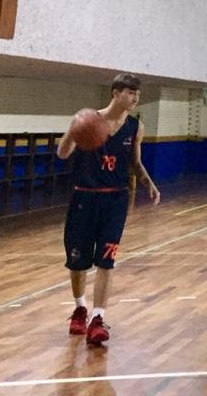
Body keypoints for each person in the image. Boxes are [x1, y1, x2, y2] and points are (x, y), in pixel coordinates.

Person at [60, 74, 161, 346]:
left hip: (115, 200)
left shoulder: (135, 127)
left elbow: (135, 163)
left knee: (107, 260)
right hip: (84, 198)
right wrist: (72, 131)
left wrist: (149, 183)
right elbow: (62, 153)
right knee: (78, 262)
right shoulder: (87, 120)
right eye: (130, 92)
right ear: (116, 93)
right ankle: (80, 308)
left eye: (138, 93)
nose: (135, 97)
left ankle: (98, 319)